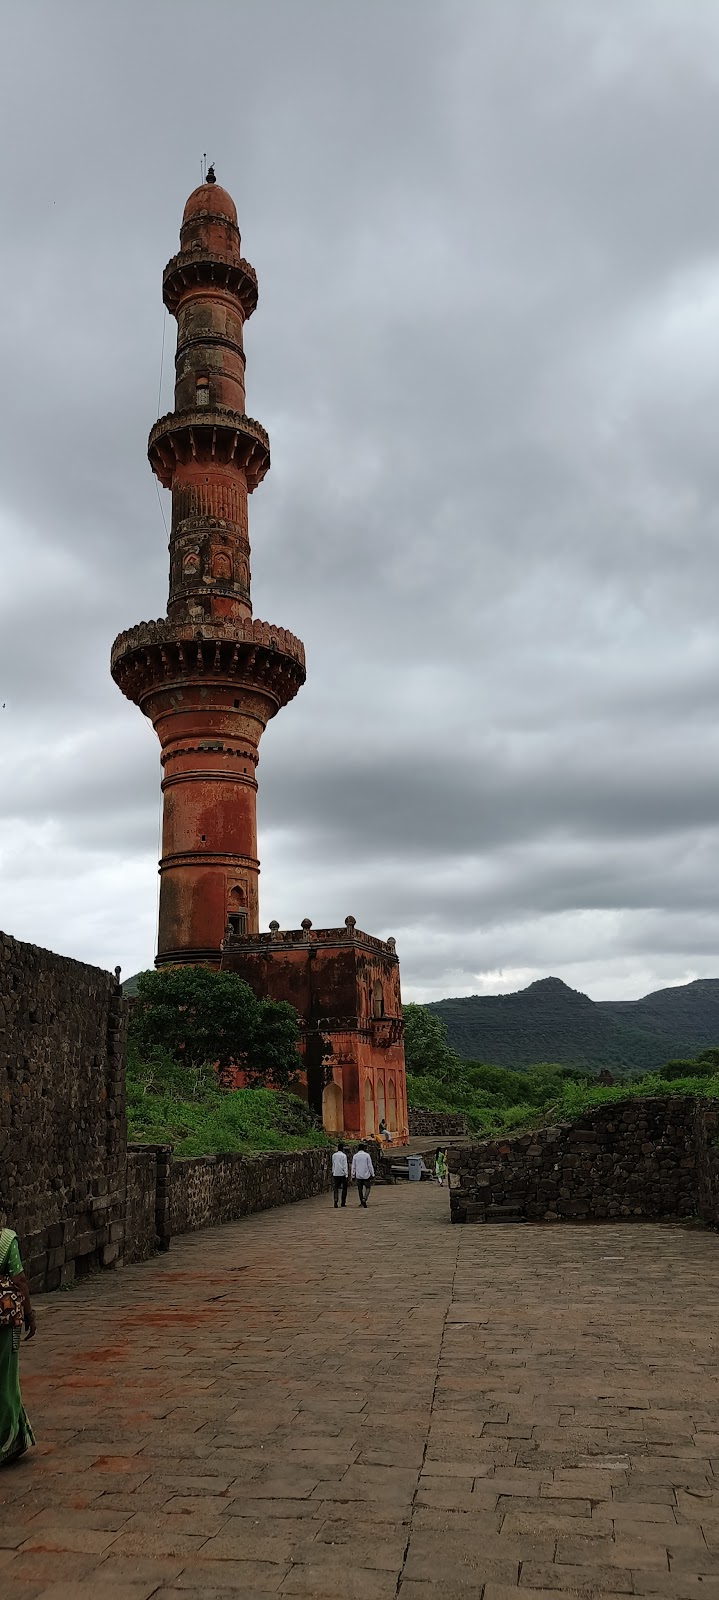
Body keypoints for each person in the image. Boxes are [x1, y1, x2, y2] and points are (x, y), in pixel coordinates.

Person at [0, 1222, 36, 1468]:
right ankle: (7, 1439)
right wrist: (30, 1313)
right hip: (5, 1321)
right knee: (6, 1377)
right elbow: (19, 1278)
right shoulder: (5, 1241)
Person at [351, 1143, 375, 1208]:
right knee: (368, 1187)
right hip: (366, 1174)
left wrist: (353, 1175)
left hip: (358, 1175)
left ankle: (361, 1201)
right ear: (364, 1149)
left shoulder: (355, 1156)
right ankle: (365, 1198)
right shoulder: (367, 1155)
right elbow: (370, 1165)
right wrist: (372, 1174)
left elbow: (353, 1166)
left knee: (360, 1189)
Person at [332, 1142, 348, 1208]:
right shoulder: (344, 1156)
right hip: (342, 1174)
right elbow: (345, 1166)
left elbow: (333, 1164)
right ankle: (343, 1202)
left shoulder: (334, 1155)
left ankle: (336, 1199)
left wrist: (333, 1172)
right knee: (344, 1189)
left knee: (336, 1188)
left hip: (336, 1173)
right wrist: (346, 1174)